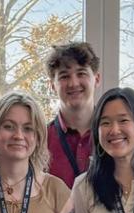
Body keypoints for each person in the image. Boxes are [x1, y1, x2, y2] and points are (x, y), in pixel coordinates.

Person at [46, 42, 101, 189]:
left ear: (97, 79)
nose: (73, 83)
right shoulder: (39, 140)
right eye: (64, 76)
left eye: (81, 73)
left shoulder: (114, 136)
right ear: (52, 85)